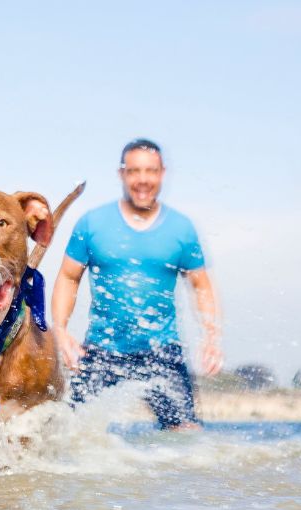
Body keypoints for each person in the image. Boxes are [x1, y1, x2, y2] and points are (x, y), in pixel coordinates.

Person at [51, 138, 223, 429]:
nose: (143, 180)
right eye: (134, 171)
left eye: (150, 171)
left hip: (162, 352)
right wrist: (61, 330)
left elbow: (201, 285)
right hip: (102, 350)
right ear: (122, 174)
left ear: (162, 173)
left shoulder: (181, 228)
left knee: (186, 435)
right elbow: (69, 277)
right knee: (68, 432)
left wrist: (212, 336)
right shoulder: (92, 223)